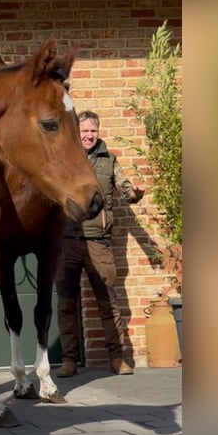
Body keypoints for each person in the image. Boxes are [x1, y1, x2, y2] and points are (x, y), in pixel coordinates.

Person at [55, 110, 145, 377]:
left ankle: (117, 358)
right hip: (68, 241)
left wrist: (134, 193)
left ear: (98, 132)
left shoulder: (110, 160)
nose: (88, 136)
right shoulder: (64, 159)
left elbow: (125, 188)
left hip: (98, 242)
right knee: (66, 304)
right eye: (84, 131)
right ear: (76, 132)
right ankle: (69, 360)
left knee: (108, 301)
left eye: (92, 131)